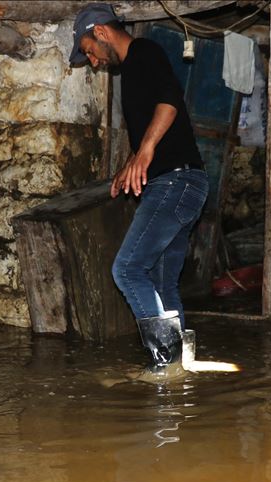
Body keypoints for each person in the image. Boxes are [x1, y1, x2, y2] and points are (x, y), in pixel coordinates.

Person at [70, 3, 208, 373]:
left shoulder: (144, 53)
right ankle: (182, 366)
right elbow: (155, 125)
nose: (95, 62)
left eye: (89, 51)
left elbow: (170, 102)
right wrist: (129, 163)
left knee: (127, 269)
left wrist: (145, 152)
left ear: (100, 32)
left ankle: (164, 365)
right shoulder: (131, 71)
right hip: (187, 183)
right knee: (163, 283)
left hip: (175, 181)